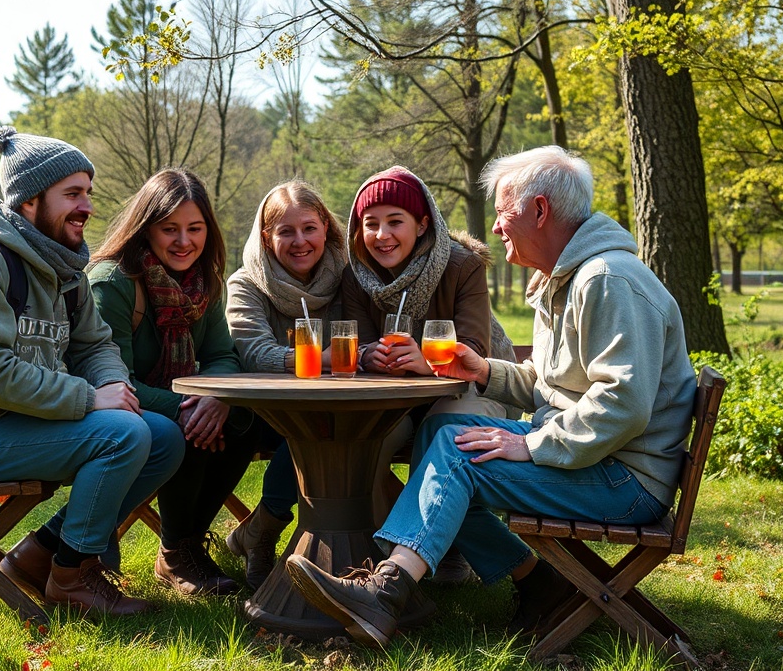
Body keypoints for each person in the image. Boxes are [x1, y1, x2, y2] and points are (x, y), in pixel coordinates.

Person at [284, 146, 697, 647]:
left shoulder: (606, 281)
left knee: (459, 461)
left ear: (540, 211)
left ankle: (384, 591)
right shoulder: (564, 281)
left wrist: (532, 446)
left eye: (504, 212)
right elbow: (554, 385)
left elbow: (622, 405)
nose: (497, 228)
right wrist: (484, 372)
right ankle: (537, 582)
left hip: (623, 479)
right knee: (443, 431)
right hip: (597, 458)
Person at [0, 126, 185, 617]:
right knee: (122, 434)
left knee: (162, 436)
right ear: (30, 199)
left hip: (13, 422)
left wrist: (112, 382)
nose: (87, 207)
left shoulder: (62, 268)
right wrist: (89, 400)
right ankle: (71, 579)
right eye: (71, 194)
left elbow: (95, 343)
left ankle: (42, 556)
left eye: (88, 193)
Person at [342, 165, 516, 583]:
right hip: (396, 397)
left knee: (442, 430)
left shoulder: (461, 265)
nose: (382, 234)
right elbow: (360, 342)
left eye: (395, 222)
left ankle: (440, 555)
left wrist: (428, 362)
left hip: (469, 387)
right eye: (371, 224)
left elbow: (475, 347)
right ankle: (384, 551)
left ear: (422, 225)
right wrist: (369, 356)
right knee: (364, 441)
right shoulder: (355, 275)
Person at [88, 168, 255, 597]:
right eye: (170, 229)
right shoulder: (114, 284)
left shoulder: (205, 282)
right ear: (147, 230)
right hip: (112, 408)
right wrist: (195, 403)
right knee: (190, 424)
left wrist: (216, 395)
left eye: (195, 228)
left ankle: (183, 546)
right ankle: (176, 550)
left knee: (244, 418)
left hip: (180, 400)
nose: (184, 241)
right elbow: (111, 379)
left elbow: (222, 356)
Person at [224, 180, 347, 589]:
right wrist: (319, 360)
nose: (300, 241)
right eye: (285, 231)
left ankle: (259, 530)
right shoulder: (246, 284)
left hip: (342, 407)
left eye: (309, 228)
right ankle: (266, 537)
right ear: (266, 236)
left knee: (331, 429)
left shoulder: (349, 277)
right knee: (308, 433)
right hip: (266, 412)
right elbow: (255, 352)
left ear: (326, 228)